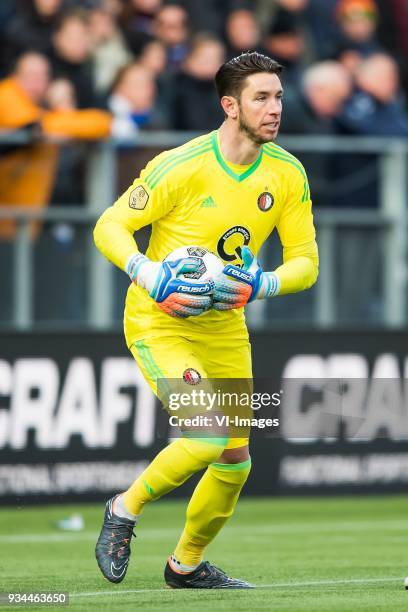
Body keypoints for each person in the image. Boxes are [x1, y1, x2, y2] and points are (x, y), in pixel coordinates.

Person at [93, 51, 318, 589]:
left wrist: (263, 283)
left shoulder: (286, 174)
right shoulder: (181, 164)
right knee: (207, 435)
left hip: (225, 328)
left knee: (236, 460)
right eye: (260, 98)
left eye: (278, 97)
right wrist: (148, 274)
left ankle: (186, 565)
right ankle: (123, 510)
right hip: (161, 321)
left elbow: (306, 264)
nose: (274, 109)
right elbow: (109, 226)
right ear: (229, 105)